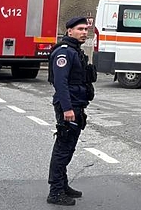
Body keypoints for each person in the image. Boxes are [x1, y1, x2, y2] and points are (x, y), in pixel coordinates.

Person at [47, 16, 95, 206]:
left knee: (69, 147)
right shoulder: (64, 53)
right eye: (80, 29)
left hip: (77, 104)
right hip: (69, 106)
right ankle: (55, 191)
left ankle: (63, 184)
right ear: (69, 31)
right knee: (63, 148)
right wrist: (67, 109)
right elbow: (60, 82)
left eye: (85, 29)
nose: (84, 32)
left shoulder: (76, 51)